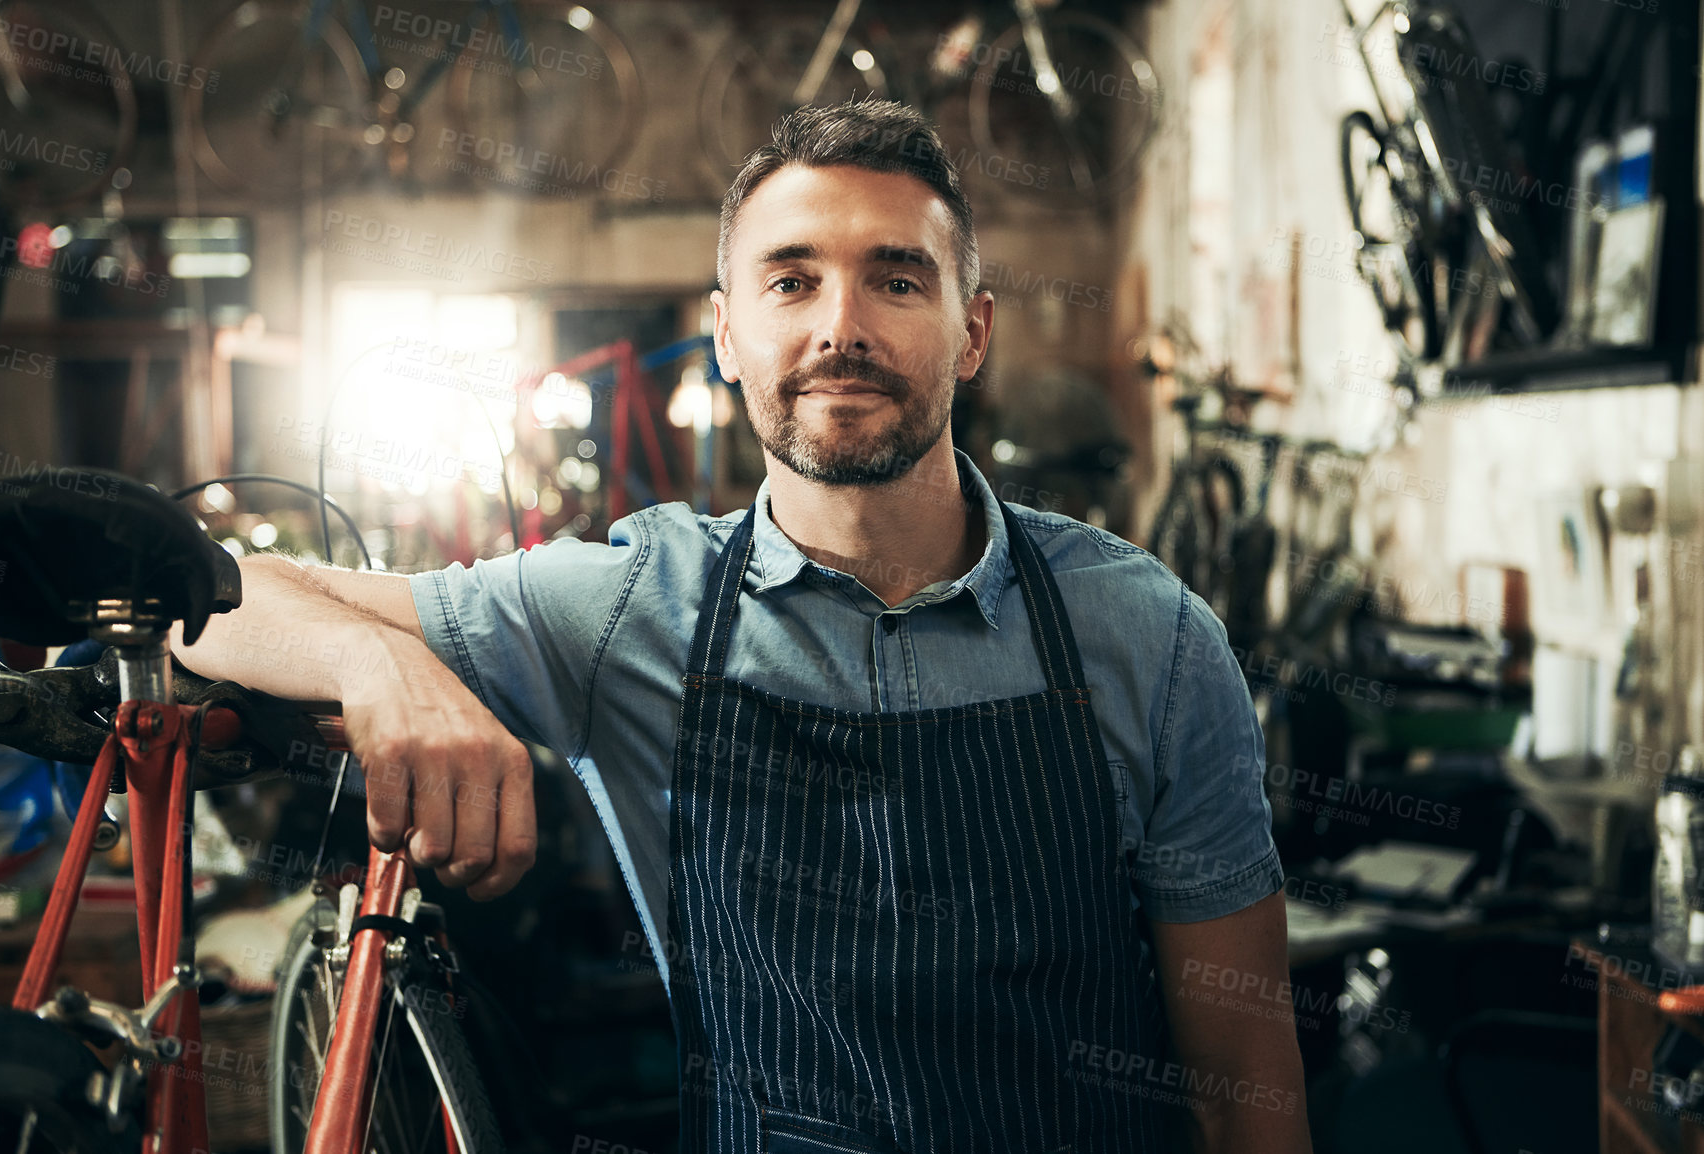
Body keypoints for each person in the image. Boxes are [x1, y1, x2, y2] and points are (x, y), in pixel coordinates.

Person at [175, 99, 1311, 1153]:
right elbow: (200, 594)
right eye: (791, 282)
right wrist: (377, 661)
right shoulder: (634, 610)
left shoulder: (1146, 634)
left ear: (972, 333)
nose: (842, 328)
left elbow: (1244, 1081)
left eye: (898, 281)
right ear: (725, 335)